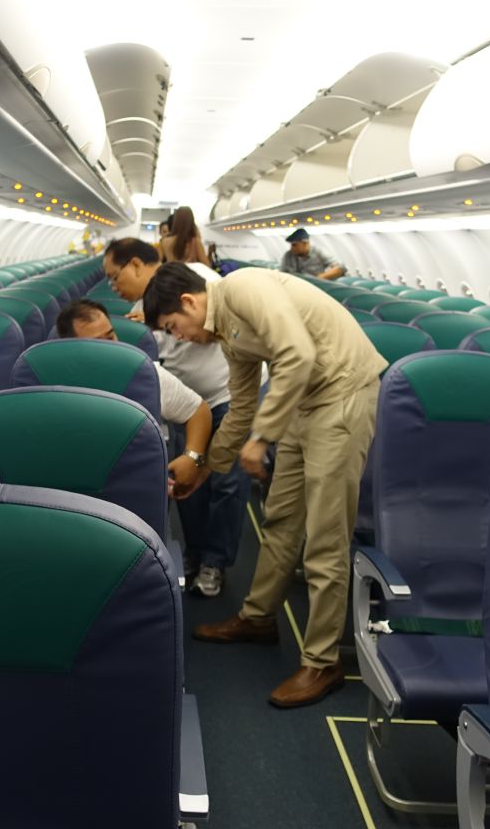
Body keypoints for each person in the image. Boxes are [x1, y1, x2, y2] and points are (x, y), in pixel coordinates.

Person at [143, 264, 386, 708]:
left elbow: (297, 354)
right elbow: (240, 408)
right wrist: (204, 468)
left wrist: (261, 438)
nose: (177, 338)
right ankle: (258, 618)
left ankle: (322, 661)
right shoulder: (226, 332)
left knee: (325, 538)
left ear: (189, 302)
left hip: (343, 394)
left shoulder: (244, 288)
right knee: (279, 519)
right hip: (304, 401)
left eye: (172, 327)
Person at [103, 238, 249, 597]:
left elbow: (223, 330)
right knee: (187, 481)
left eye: (114, 276)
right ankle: (195, 553)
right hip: (187, 405)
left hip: (228, 395)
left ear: (136, 264)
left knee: (227, 485)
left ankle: (216, 560)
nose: (113, 286)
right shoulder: (138, 310)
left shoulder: (197, 280)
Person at [55, 298, 214, 510]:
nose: (113, 346)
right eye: (98, 342)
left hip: (136, 485)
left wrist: (192, 457)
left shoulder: (145, 375)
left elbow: (198, 410)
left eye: (111, 335)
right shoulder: (54, 386)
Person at [279, 228, 344, 280]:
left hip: (315, 287)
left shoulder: (319, 252)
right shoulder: (288, 255)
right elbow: (282, 273)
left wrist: (320, 278)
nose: (292, 248)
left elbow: (340, 268)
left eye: (294, 245)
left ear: (305, 243)